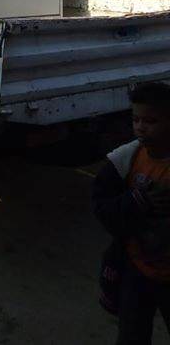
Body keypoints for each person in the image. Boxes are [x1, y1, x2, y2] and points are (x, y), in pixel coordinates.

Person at [93, 82, 170, 344]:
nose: (141, 127)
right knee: (132, 335)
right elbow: (102, 207)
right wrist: (134, 202)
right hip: (137, 270)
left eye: (151, 121)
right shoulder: (125, 160)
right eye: (136, 119)